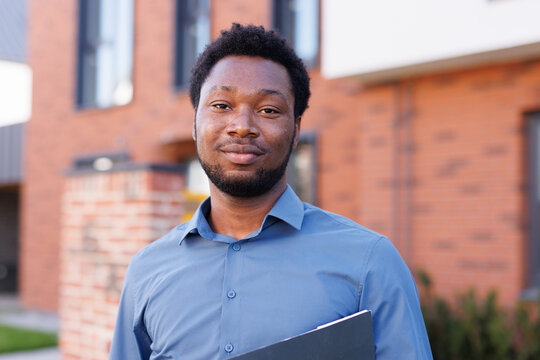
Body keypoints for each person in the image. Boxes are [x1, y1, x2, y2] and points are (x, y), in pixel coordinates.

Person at [109, 23, 433, 359]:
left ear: (295, 131)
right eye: (221, 105)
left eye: (268, 110)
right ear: (194, 123)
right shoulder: (147, 270)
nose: (242, 126)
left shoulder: (369, 262)